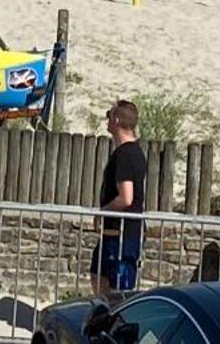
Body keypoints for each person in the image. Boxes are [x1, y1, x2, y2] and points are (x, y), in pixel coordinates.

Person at [94, 100, 147, 295]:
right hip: (116, 233)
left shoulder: (125, 154)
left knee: (119, 292)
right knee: (99, 276)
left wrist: (103, 211)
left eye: (109, 116)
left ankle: (113, 323)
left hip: (122, 234)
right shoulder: (134, 152)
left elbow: (126, 198)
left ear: (116, 120)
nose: (107, 120)